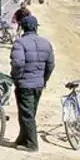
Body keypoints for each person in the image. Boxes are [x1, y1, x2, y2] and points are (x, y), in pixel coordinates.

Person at [9, 15, 55, 152]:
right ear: (35, 27)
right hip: (38, 84)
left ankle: (32, 144)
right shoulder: (46, 43)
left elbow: (18, 64)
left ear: (23, 27)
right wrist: (44, 79)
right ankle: (22, 138)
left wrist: (16, 78)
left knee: (26, 114)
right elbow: (51, 65)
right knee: (29, 113)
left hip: (25, 84)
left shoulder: (20, 43)